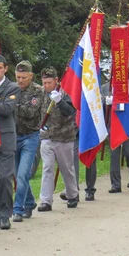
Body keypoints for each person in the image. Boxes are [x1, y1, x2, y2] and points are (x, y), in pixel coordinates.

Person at [37, 67, 79, 211]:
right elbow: (35, 111)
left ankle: (72, 194)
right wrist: (38, 126)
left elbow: (70, 112)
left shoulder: (65, 93)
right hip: (46, 137)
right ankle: (45, 201)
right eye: (44, 82)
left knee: (66, 168)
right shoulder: (40, 93)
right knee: (47, 167)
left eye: (49, 82)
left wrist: (60, 101)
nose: (47, 85)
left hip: (64, 137)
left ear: (56, 80)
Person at [0, 52, 20, 230]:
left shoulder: (12, 87)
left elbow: (7, 109)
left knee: (5, 177)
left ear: (5, 69)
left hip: (6, 138)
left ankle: (6, 214)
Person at [12, 61, 43, 221]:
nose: (20, 80)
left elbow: (30, 112)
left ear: (30, 76)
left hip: (30, 137)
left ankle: (18, 209)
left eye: (24, 77)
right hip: (14, 136)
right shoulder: (12, 89)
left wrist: (13, 104)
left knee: (23, 174)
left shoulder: (37, 91)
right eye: (18, 77)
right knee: (18, 175)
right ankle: (30, 202)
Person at [101, 80, 129, 192]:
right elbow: (100, 103)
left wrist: (117, 99)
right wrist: (105, 101)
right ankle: (115, 184)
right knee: (114, 156)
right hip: (113, 125)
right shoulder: (105, 87)